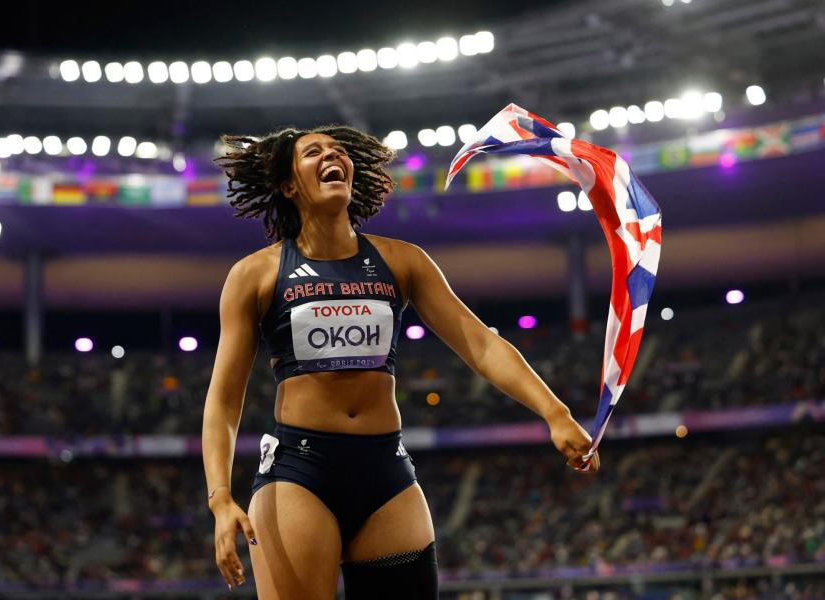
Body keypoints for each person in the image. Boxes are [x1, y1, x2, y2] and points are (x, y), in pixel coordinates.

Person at [202, 125, 599, 599]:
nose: (332, 155)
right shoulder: (256, 274)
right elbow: (224, 400)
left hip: (385, 471)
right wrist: (220, 498)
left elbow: (482, 344)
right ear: (289, 185)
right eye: (313, 153)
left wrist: (555, 413)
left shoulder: (402, 262)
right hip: (300, 474)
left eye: (338, 150)